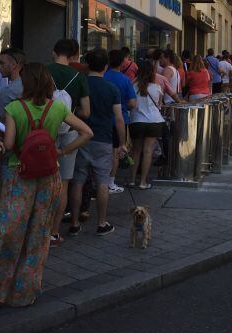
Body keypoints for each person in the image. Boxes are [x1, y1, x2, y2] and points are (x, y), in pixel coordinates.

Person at [0, 62, 92, 306]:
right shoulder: (58, 108)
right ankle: (25, 292)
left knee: (10, 231)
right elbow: (87, 132)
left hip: (18, 176)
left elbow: (9, 145)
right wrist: (62, 151)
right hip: (48, 176)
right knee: (38, 234)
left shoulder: (14, 108)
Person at [69, 49, 124, 237]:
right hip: (104, 139)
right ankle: (101, 223)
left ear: (87, 65)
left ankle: (75, 223)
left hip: (79, 137)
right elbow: (118, 118)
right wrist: (122, 142)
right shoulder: (111, 88)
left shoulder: (79, 84)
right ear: (105, 67)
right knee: (102, 182)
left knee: (78, 181)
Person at [103, 49, 136, 195]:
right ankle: (110, 183)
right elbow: (133, 103)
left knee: (100, 153)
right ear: (122, 62)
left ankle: (97, 184)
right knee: (115, 152)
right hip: (119, 119)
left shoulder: (102, 76)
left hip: (100, 120)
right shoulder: (125, 80)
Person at [129, 61, 165, 190]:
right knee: (148, 151)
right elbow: (159, 105)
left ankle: (132, 180)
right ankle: (143, 182)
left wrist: (135, 80)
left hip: (137, 121)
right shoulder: (157, 88)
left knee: (136, 151)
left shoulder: (133, 86)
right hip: (154, 121)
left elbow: (130, 103)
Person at [48, 39, 90, 120]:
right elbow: (86, 113)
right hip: (69, 128)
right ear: (72, 57)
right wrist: (73, 111)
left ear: (53, 52)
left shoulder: (42, 71)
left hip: (45, 126)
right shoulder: (79, 76)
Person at [0, 48, 26, 120]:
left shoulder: (7, 91)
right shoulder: (29, 86)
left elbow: (0, 124)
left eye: (2, 63)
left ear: (13, 65)